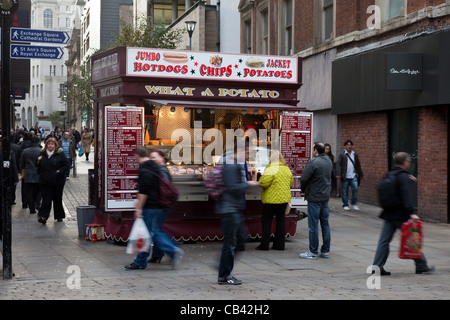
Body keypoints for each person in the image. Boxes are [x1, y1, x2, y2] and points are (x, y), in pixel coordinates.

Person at [372, 152, 434, 275]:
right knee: (413, 239)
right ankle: (421, 265)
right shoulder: (403, 176)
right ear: (405, 162)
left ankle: (377, 267)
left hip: (389, 213)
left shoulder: (391, 173)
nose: (409, 163)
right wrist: (412, 212)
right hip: (401, 214)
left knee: (384, 241)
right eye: (409, 161)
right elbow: (407, 195)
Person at [125, 146, 183, 270]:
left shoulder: (145, 170)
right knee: (152, 233)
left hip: (151, 207)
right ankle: (141, 261)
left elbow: (144, 192)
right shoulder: (155, 167)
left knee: (150, 233)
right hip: (160, 206)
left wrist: (139, 208)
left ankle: (171, 250)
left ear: (137, 155)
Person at [215, 140, 260, 285]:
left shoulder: (235, 163)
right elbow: (232, 187)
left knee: (239, 239)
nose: (248, 155)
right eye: (247, 152)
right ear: (239, 151)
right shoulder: (231, 165)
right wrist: (249, 184)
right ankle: (224, 274)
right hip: (228, 208)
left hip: (233, 207)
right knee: (232, 242)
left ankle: (223, 267)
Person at [299, 142, 333, 260]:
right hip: (325, 196)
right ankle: (325, 250)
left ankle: (313, 251)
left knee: (313, 225)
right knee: (325, 224)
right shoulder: (328, 161)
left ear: (316, 151)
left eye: (313, 149)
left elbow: (304, 178)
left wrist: (304, 189)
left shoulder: (314, 162)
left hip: (314, 197)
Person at [256, 150, 293, 251]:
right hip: (284, 199)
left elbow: (263, 183)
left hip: (271, 199)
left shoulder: (271, 168)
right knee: (281, 221)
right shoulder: (286, 169)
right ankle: (279, 245)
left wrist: (260, 179)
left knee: (267, 221)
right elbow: (290, 182)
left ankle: (264, 245)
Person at [147, 149, 172, 263]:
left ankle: (172, 249)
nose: (152, 159)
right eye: (150, 157)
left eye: (154, 157)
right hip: (161, 204)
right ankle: (158, 254)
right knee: (157, 230)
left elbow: (165, 189)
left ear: (162, 157)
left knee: (156, 231)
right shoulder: (160, 169)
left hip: (161, 205)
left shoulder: (162, 171)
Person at [36, 137, 69, 224]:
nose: (50, 146)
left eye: (52, 144)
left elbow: (66, 165)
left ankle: (59, 216)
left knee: (57, 198)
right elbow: (38, 167)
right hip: (45, 180)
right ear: (46, 145)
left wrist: (59, 171)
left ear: (55, 145)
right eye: (49, 144)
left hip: (57, 181)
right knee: (46, 199)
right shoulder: (42, 153)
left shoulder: (60, 154)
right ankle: (44, 216)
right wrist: (38, 161)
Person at [335, 139, 363, 211]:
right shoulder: (342, 154)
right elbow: (338, 164)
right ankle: (345, 204)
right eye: (348, 145)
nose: (349, 146)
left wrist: (360, 173)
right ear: (345, 146)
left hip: (353, 175)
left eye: (350, 145)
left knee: (355, 189)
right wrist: (338, 173)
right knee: (344, 191)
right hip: (345, 175)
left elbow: (358, 164)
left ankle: (353, 203)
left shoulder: (354, 154)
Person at [20, 135, 42, 214]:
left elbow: (22, 164)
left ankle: (31, 208)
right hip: (39, 173)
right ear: (38, 142)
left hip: (28, 173)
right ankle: (37, 203)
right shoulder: (41, 151)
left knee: (30, 191)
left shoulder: (25, 151)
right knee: (39, 190)